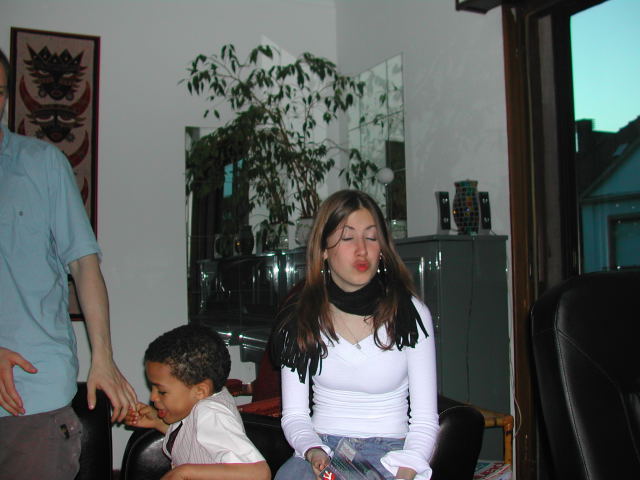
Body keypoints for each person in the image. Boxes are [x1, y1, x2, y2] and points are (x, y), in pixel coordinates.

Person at [0, 48, 137, 478]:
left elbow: (83, 264)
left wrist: (103, 357)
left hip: (33, 395)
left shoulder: (41, 163)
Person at [271, 190, 439, 480]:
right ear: (324, 249)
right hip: (323, 448)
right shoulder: (301, 318)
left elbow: (425, 420)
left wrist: (407, 470)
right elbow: (295, 416)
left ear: (382, 248)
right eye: (348, 238)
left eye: (371, 238)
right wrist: (312, 449)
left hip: (391, 454)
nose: (362, 250)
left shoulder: (409, 315)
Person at [125, 324, 271, 480]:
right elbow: (195, 439)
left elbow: (259, 473)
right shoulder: (199, 404)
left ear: (200, 391)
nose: (153, 397)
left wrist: (183, 472)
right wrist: (157, 422)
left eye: (162, 391)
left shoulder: (211, 413)